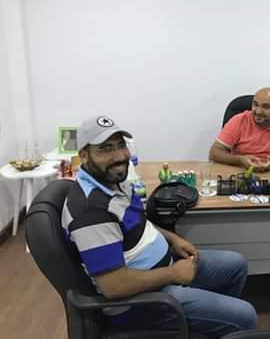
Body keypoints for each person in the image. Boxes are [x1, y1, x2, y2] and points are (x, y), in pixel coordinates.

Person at [62, 115, 256, 337]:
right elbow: (114, 286)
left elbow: (140, 223)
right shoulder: (91, 212)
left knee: (235, 265)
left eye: (121, 145)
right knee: (245, 315)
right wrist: (173, 274)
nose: (120, 156)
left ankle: (212, 326)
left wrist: (172, 239)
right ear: (84, 155)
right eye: (106, 149)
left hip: (163, 273)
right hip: (140, 303)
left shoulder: (114, 182)